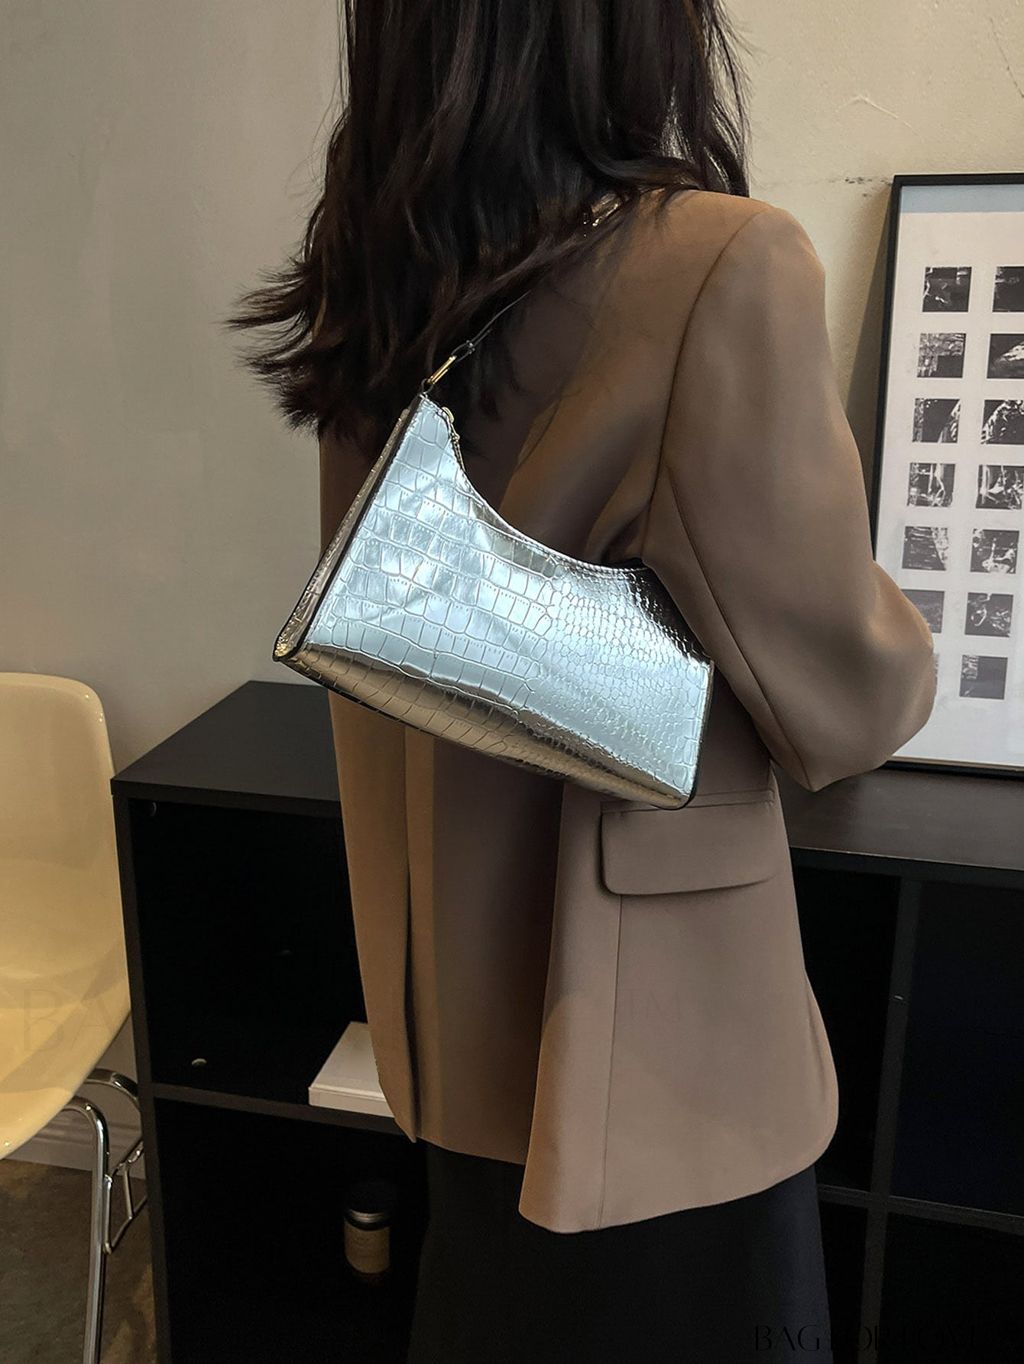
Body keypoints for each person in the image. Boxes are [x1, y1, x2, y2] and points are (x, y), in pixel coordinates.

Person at [227, 3, 937, 1359]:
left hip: (450, 1014)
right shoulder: (718, 265)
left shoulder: (388, 268)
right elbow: (845, 704)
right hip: (653, 1062)